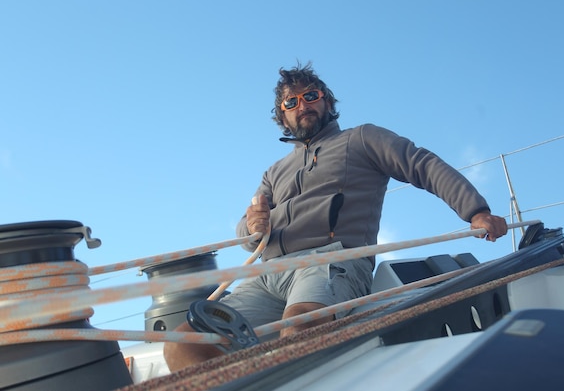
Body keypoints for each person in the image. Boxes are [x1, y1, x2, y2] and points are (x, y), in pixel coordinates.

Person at [163, 62, 508, 371]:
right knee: (184, 344)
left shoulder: (362, 139)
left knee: (300, 333)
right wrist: (251, 226)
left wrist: (475, 211)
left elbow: (422, 164)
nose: (303, 105)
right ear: (282, 117)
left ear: (327, 101)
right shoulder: (273, 172)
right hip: (267, 276)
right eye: (291, 102)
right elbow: (248, 228)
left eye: (310, 95)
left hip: (330, 262)